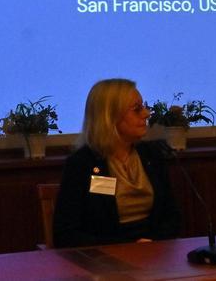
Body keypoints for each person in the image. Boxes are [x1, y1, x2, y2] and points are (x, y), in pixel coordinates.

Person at [52, 78, 181, 247]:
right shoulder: (83, 163)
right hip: (106, 260)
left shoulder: (151, 155)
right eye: (137, 109)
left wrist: (152, 243)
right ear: (110, 116)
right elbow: (66, 234)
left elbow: (171, 217)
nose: (146, 114)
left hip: (154, 253)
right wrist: (128, 246)